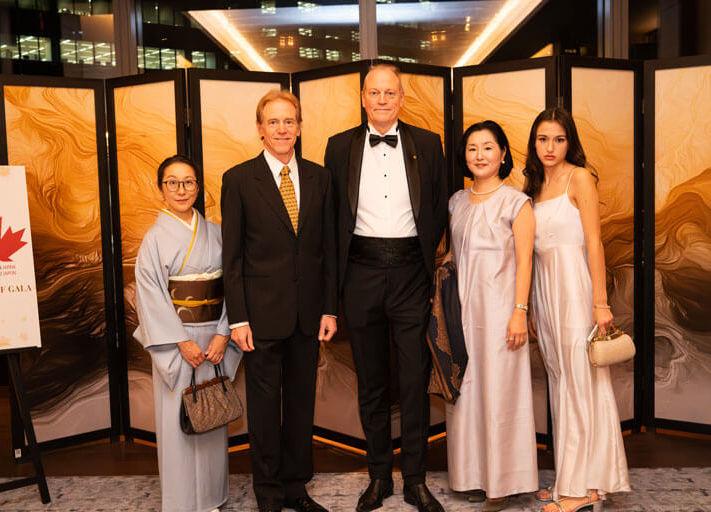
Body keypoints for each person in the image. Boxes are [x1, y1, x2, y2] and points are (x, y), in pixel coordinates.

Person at [323, 63, 448, 512]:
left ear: (401, 98)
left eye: (389, 93)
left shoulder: (428, 144)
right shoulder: (338, 146)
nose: (381, 100)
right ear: (362, 98)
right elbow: (332, 218)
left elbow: (439, 207)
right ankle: (379, 477)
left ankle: (415, 479)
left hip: (411, 274)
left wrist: (422, 261)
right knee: (372, 381)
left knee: (414, 379)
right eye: (374, 93)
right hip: (360, 274)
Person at [221, 89, 338, 512]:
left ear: (300, 127)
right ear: (260, 128)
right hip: (260, 318)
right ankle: (268, 494)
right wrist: (238, 319)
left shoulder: (320, 178)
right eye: (273, 122)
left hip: (308, 316)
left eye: (289, 121)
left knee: (301, 407)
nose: (282, 129)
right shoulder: (238, 179)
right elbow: (232, 256)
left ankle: (296, 489)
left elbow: (327, 250)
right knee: (265, 410)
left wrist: (329, 308)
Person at [525, 107, 631, 512]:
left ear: (570, 142)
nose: (550, 147)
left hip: (574, 289)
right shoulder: (534, 185)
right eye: (542, 139)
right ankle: (573, 480)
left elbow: (595, 243)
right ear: (533, 143)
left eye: (559, 139)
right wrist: (530, 306)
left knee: (581, 383)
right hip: (545, 292)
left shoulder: (580, 177)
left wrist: (600, 303)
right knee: (561, 382)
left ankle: (584, 488)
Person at [133, 154, 242, 512]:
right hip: (177, 341)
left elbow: (234, 283)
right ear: (161, 188)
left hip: (214, 338)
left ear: (198, 186)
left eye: (189, 182)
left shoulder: (216, 232)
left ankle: (212, 497)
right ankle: (181, 503)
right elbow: (150, 294)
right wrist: (180, 341)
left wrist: (223, 334)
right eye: (172, 182)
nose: (181, 190)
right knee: (178, 421)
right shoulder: (154, 238)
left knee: (211, 415)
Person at [445, 121, 538, 511]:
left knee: (500, 394)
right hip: (461, 313)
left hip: (501, 313)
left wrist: (520, 312)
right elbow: (452, 256)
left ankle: (501, 483)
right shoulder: (456, 201)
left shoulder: (517, 202)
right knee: (466, 392)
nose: (479, 155)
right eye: (472, 148)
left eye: (487, 147)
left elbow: (526, 262)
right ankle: (471, 477)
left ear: (503, 154)